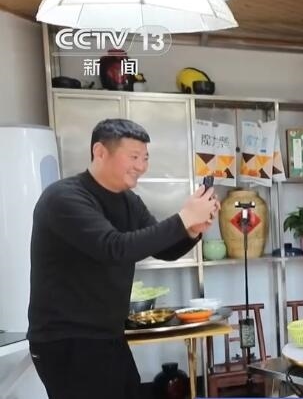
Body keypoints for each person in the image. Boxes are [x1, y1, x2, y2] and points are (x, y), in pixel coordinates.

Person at [27, 118, 219, 399]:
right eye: (133, 157)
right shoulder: (64, 198)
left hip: (108, 335)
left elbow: (164, 250)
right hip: (66, 340)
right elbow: (113, 248)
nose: (141, 166)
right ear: (100, 152)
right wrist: (183, 218)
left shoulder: (128, 201)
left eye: (145, 158)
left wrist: (192, 230)